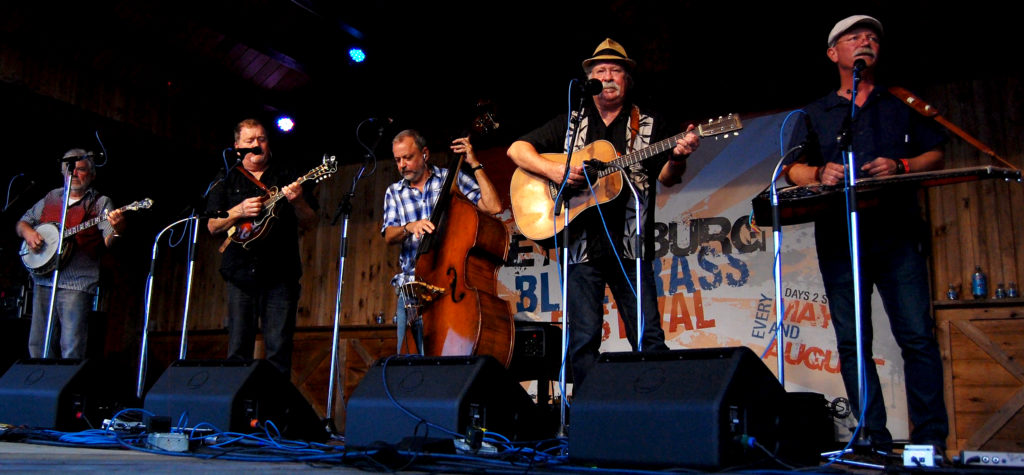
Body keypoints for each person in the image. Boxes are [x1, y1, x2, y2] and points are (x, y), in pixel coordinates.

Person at [784, 15, 949, 450]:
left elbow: (936, 151)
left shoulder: (899, 103)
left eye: (872, 36)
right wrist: (820, 171)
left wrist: (903, 165)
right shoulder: (816, 113)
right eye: (854, 37)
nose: (866, 41)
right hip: (841, 237)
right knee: (853, 341)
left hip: (897, 234)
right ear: (833, 53)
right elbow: (792, 169)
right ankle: (872, 436)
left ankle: (929, 439)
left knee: (916, 334)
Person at [506, 38, 699, 390]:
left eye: (615, 70)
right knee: (583, 339)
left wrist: (678, 155)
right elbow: (516, 149)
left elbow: (668, 178)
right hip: (580, 246)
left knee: (648, 336)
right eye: (600, 71)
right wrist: (555, 173)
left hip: (630, 247)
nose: (607, 76)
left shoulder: (651, 125)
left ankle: (657, 409)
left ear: (628, 79)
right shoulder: (571, 122)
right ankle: (587, 418)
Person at [206, 118, 318, 377]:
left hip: (281, 274)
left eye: (262, 139)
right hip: (240, 274)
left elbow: (311, 221)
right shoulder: (226, 177)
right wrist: (238, 210)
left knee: (279, 351)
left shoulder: (287, 175)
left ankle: (274, 415)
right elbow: (212, 226)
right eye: (250, 141)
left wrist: (299, 201)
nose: (257, 144)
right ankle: (237, 412)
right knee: (237, 351)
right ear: (237, 147)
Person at [381, 129, 502, 353]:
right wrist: (410, 227)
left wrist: (474, 163)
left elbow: (493, 207)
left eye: (407, 157)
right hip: (411, 291)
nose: (402, 165)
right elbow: (389, 234)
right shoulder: (394, 192)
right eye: (398, 160)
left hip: (447, 291)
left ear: (425, 153)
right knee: (408, 367)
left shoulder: (451, 179)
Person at [16, 149, 125, 359]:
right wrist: (29, 233)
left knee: (71, 345)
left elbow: (109, 240)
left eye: (81, 169)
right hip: (44, 279)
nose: (74, 173)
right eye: (70, 169)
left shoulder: (100, 203)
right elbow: (23, 222)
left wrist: (118, 228)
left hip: (77, 283)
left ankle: (66, 388)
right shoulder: (52, 197)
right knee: (38, 343)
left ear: (92, 175)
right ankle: (39, 385)